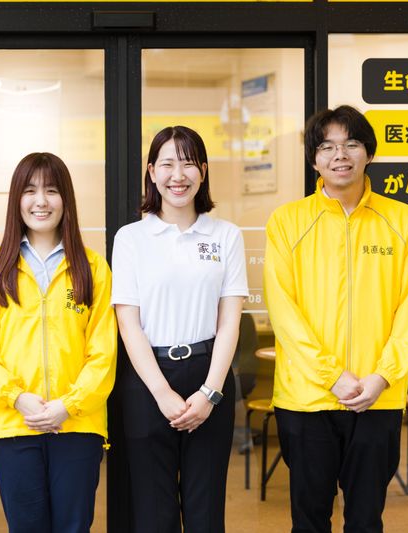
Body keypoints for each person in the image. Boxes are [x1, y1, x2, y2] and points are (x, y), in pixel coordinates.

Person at [264, 105, 408, 533]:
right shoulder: (287, 221)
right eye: (327, 147)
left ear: (369, 154)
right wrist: (331, 375)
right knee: (309, 520)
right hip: (307, 398)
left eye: (351, 144)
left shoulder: (404, 221)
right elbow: (283, 309)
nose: (340, 155)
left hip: (378, 397)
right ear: (314, 160)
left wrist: (382, 376)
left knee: (366, 519)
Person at [0, 152, 117, 533]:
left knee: (74, 526)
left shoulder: (93, 267)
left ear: (66, 199)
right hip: (13, 424)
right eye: (30, 191)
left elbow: (104, 350)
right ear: (17, 199)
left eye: (51, 190)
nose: (41, 201)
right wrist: (16, 397)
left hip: (77, 425)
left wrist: (68, 404)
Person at [112, 125, 248, 532]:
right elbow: (128, 323)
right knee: (153, 513)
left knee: (205, 511)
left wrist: (210, 393)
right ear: (151, 172)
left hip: (209, 374)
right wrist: (161, 393)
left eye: (188, 164)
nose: (178, 175)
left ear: (203, 171)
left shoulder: (226, 235)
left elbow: (229, 322)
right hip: (147, 380)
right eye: (167, 164)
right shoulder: (131, 238)